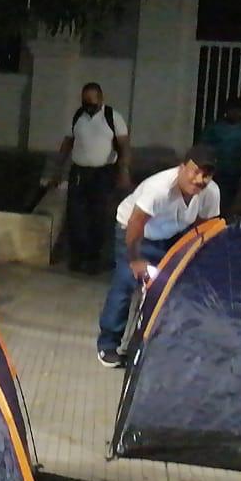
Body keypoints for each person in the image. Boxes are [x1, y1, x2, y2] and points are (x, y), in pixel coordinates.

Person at [96, 145, 221, 367]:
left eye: (206, 174)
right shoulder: (159, 188)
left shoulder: (210, 192)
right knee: (127, 282)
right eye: (195, 171)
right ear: (182, 168)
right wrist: (134, 259)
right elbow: (136, 222)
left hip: (172, 234)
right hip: (136, 232)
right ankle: (108, 344)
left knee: (170, 287)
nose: (199, 179)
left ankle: (154, 345)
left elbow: (205, 228)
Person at [50, 83, 131, 273]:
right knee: (76, 216)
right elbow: (67, 143)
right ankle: (78, 259)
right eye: (85, 101)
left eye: (92, 101)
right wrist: (57, 170)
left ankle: (96, 260)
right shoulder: (78, 116)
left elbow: (124, 146)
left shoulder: (112, 117)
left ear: (101, 99)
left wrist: (124, 172)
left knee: (100, 217)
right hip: (79, 172)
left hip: (103, 173)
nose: (88, 105)